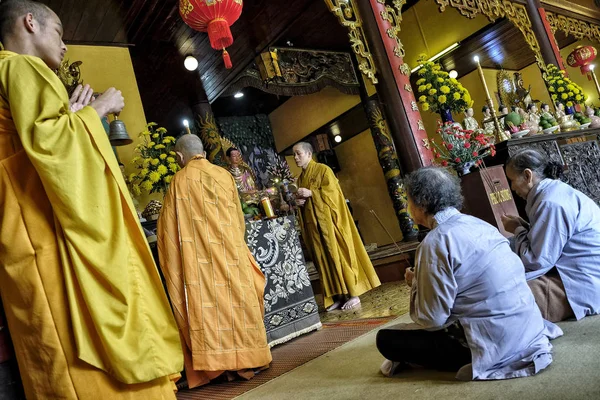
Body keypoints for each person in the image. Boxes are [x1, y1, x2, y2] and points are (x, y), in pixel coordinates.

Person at [0, 1, 183, 398]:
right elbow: (51, 148)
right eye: (59, 32)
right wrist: (98, 110)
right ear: (30, 22)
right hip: (46, 234)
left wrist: (72, 115)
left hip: (21, 233)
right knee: (86, 347)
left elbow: (31, 144)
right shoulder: (20, 66)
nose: (64, 46)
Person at [377, 167, 562, 380]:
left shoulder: (434, 242)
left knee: (386, 339)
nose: (409, 208)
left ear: (421, 203)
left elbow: (432, 319)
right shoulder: (479, 224)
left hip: (489, 343)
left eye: (409, 201)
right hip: (526, 329)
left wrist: (417, 285)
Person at [157, 134, 272, 389]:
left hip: (200, 263)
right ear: (204, 153)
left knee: (210, 310)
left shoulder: (179, 181)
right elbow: (238, 218)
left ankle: (218, 365)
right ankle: (251, 356)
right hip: (231, 254)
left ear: (179, 157)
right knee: (239, 306)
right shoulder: (224, 175)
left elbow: (167, 229)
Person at [502, 149, 600, 322]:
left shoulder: (550, 202)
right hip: (579, 270)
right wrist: (523, 227)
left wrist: (517, 229)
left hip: (582, 279)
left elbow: (537, 260)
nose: (512, 187)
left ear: (527, 175)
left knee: (506, 297)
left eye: (512, 180)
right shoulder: (553, 192)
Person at [294, 142, 380, 311]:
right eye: (294, 155)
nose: (296, 158)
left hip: (331, 224)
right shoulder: (300, 179)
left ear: (309, 154)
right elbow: (307, 204)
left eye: (299, 154)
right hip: (316, 228)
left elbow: (334, 194)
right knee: (324, 261)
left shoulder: (323, 170)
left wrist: (312, 193)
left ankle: (354, 294)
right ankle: (338, 296)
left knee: (339, 255)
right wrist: (299, 203)